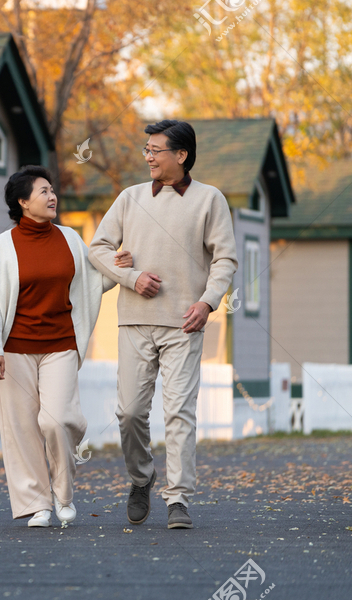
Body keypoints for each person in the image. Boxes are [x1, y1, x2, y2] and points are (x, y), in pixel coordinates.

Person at [88, 120, 237, 529]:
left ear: (181, 155)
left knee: (179, 412)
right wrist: (130, 277)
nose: (149, 156)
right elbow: (98, 248)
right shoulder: (129, 198)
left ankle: (178, 499)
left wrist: (208, 303)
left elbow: (225, 258)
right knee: (130, 412)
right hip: (135, 320)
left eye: (156, 149)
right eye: (146, 150)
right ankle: (141, 477)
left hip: (184, 324)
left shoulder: (210, 200)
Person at [0, 165, 132, 528]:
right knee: (22, 428)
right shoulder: (4, 245)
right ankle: (38, 505)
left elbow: (90, 284)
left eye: (52, 190)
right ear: (22, 202)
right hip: (15, 347)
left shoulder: (69, 238)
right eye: (43, 191)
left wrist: (118, 267)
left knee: (57, 420)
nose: (52, 197)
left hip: (61, 344)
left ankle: (64, 495)